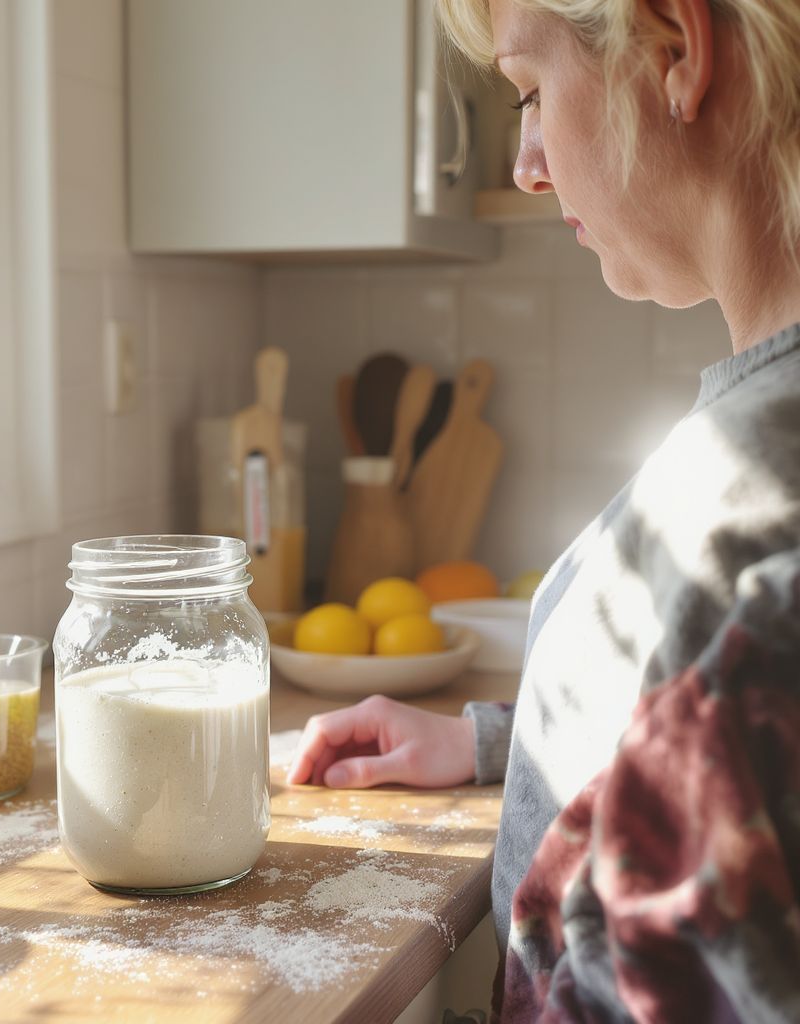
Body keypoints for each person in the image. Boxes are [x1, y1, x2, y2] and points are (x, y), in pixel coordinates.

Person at [287, 0, 800, 1020]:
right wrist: (502, 743)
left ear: (674, 50)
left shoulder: (750, 509)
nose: (527, 161)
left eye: (529, 91)